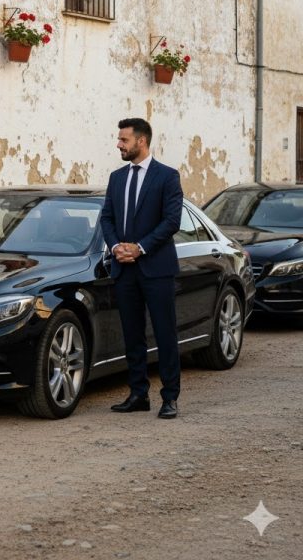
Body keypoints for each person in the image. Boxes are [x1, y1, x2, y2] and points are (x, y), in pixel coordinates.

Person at [99, 118, 183, 419]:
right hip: (124, 270)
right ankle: (138, 394)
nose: (119, 144)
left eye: (124, 140)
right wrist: (116, 246)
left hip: (156, 268)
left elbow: (171, 222)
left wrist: (140, 247)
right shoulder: (116, 177)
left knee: (164, 334)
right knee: (132, 334)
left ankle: (170, 397)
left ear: (141, 141)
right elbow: (106, 217)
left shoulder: (167, 177)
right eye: (119, 139)